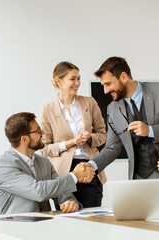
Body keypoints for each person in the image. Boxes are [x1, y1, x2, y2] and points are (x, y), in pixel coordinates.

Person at [88, 56, 159, 180]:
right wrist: (91, 165)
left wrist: (150, 130)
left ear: (123, 77)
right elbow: (112, 147)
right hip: (139, 178)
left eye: (108, 84)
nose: (105, 91)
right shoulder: (112, 109)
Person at [0, 112, 95, 214]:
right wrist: (75, 176)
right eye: (37, 131)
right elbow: (38, 191)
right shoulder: (2, 166)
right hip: (16, 228)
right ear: (24, 139)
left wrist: (69, 201)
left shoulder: (43, 161)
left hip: (46, 225)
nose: (43, 133)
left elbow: (61, 191)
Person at [39, 61, 107, 207]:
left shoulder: (89, 103)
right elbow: (44, 148)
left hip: (89, 166)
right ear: (59, 81)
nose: (77, 83)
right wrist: (72, 142)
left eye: (79, 78)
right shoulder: (47, 109)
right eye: (72, 79)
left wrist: (90, 137)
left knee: (92, 216)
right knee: (67, 217)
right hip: (63, 173)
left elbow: (102, 134)